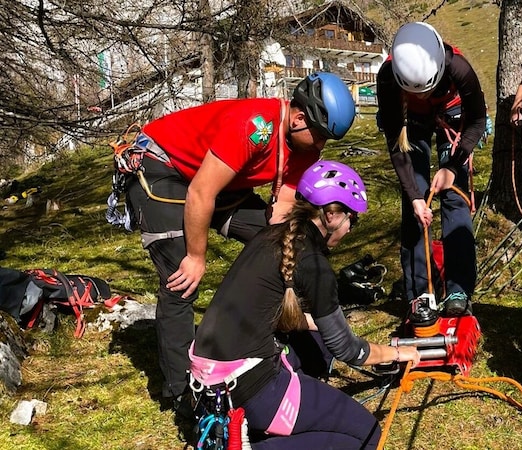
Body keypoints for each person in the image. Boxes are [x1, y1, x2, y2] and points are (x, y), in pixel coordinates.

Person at [122, 72, 356, 407]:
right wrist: (197, 255)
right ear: (299, 118)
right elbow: (201, 194)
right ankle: (182, 393)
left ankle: (278, 338)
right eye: (319, 137)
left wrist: (283, 244)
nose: (320, 146)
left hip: (217, 179)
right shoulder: (255, 127)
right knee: (181, 279)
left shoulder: (306, 145)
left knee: (276, 243)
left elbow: (284, 205)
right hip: (163, 166)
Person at [189, 160, 421, 449]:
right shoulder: (314, 264)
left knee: (318, 346)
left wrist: (313, 323)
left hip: (208, 382)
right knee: (368, 436)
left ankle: (270, 421)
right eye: (353, 218)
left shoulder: (270, 235)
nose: (351, 228)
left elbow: (269, 311)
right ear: (332, 215)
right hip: (251, 388)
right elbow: (349, 350)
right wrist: (397, 353)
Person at [376, 21, 485, 315]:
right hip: (409, 118)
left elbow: (477, 121)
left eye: (427, 89)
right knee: (418, 201)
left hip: (452, 112)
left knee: (453, 194)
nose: (423, 94)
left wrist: (453, 164)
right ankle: (419, 292)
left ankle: (459, 289)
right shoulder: (388, 78)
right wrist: (412, 194)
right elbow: (396, 143)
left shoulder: (458, 68)